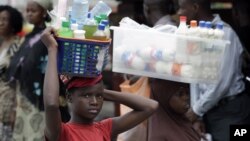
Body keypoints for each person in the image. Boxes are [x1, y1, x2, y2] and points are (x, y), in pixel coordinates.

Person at [41, 27, 159, 141]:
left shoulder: (104, 129)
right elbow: (51, 104)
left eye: (99, 97)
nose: (94, 102)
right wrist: (52, 49)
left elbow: (150, 107)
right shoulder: (61, 132)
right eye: (86, 95)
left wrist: (101, 92)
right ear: (69, 97)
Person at [177, 0, 250, 141]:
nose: (179, 13)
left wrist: (196, 111)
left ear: (195, 7)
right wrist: (198, 115)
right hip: (209, 110)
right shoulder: (197, 34)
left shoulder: (225, 33)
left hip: (231, 111)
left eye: (181, 8)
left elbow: (221, 83)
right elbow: (196, 79)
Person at [5, 0, 53, 140]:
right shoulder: (28, 36)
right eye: (27, 11)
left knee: (36, 132)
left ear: (44, 12)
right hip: (23, 96)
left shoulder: (48, 36)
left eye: (33, 11)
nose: (29, 14)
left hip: (39, 97)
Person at [0, 5, 23, 140]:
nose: (0, 22)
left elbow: (19, 79)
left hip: (8, 103)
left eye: (4, 19)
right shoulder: (1, 42)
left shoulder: (18, 46)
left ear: (13, 23)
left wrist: (16, 109)